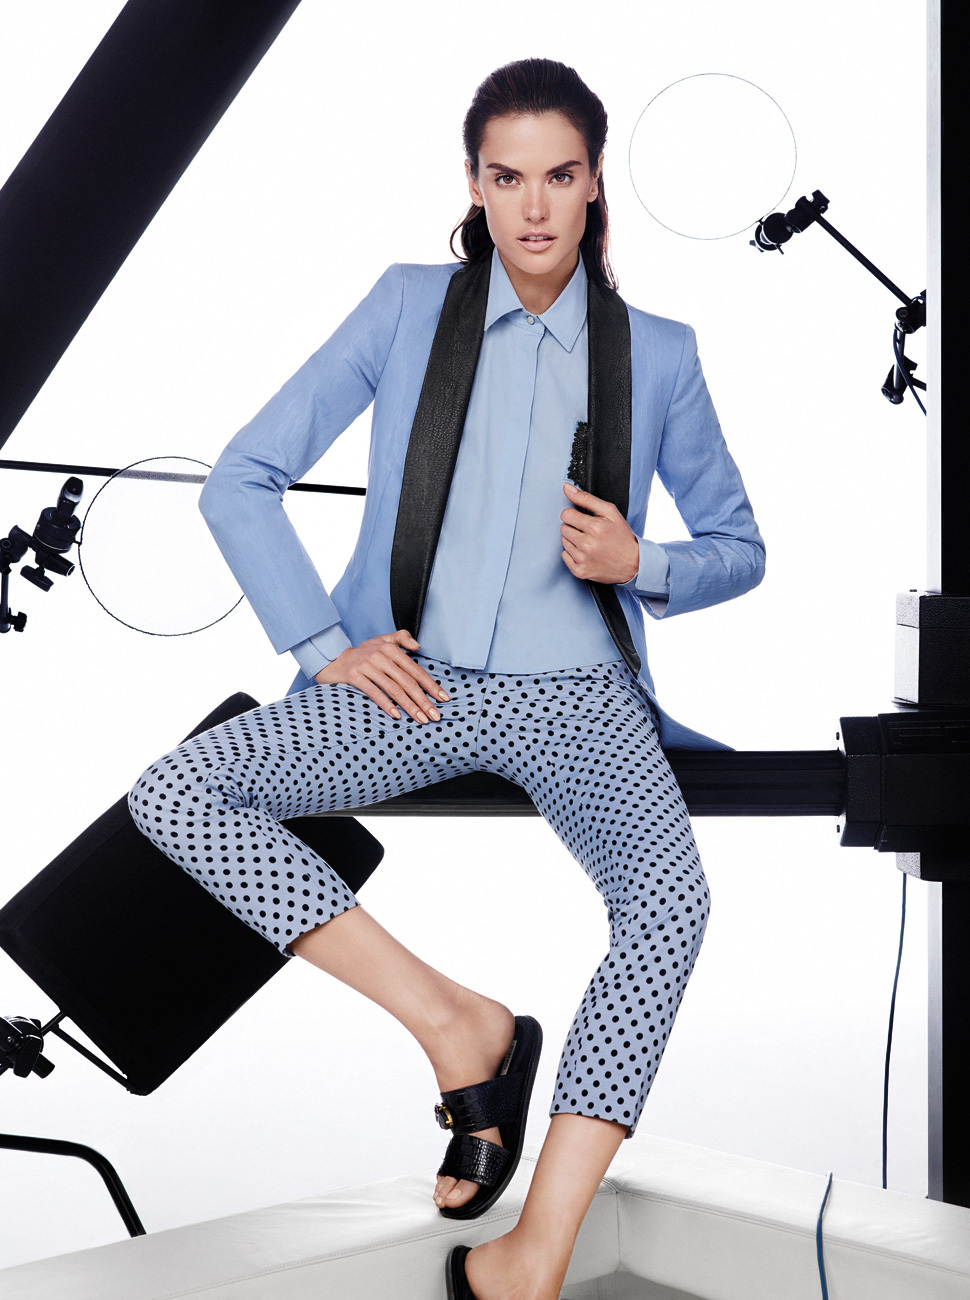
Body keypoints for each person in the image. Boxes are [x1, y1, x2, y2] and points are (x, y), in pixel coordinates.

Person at [128, 57, 765, 1300]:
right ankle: (458, 1028)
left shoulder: (661, 354)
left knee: (670, 905)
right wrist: (325, 647)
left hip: (580, 694)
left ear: (594, 184)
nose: (533, 207)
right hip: (413, 682)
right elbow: (240, 478)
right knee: (179, 793)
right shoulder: (406, 306)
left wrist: (643, 563)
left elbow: (739, 546)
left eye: (558, 176)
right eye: (505, 177)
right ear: (473, 184)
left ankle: (537, 1249)